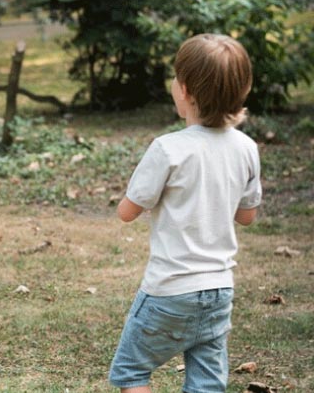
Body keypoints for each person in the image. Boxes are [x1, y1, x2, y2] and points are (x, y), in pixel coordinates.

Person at [108, 33, 262, 393]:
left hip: (169, 290)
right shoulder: (247, 148)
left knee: (131, 371)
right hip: (219, 290)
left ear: (185, 90)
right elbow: (247, 216)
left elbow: (127, 212)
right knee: (206, 384)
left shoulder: (168, 149)